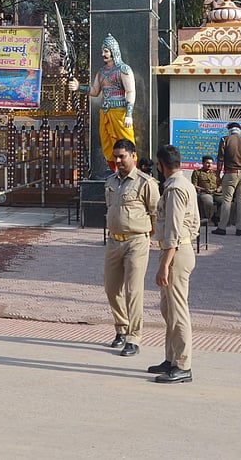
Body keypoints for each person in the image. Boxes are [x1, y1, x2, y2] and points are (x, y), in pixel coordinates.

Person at [100, 139, 159, 357]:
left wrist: (149, 236)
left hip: (136, 241)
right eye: (115, 156)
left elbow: (156, 213)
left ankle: (134, 337)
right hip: (114, 241)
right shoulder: (111, 181)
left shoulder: (146, 182)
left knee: (133, 291)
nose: (118, 161)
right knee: (111, 288)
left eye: (122, 156)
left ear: (133, 156)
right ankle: (121, 328)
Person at [148, 144, 199, 384]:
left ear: (160, 165)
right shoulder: (182, 184)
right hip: (178, 250)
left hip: (176, 253)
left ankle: (183, 365)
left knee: (178, 311)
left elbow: (174, 231)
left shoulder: (176, 188)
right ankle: (171, 358)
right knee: (168, 309)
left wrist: (164, 265)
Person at [68, 33, 136, 173]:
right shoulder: (101, 72)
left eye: (106, 51)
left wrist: (129, 114)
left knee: (126, 143)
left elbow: (130, 92)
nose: (103, 54)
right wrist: (78, 87)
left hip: (120, 113)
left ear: (113, 51)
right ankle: (114, 171)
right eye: (102, 51)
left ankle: (132, 172)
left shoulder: (123, 69)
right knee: (107, 144)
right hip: (105, 113)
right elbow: (94, 91)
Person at [190, 155, 221, 223]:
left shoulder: (215, 173)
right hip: (204, 193)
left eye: (211, 163)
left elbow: (220, 184)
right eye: (207, 163)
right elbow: (194, 185)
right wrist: (204, 189)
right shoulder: (197, 172)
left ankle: (216, 216)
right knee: (208, 202)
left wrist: (219, 188)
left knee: (226, 201)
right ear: (203, 163)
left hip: (216, 193)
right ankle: (207, 218)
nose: (210, 165)